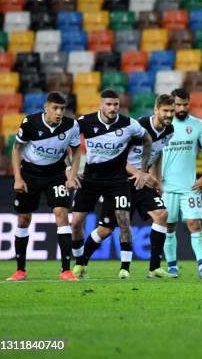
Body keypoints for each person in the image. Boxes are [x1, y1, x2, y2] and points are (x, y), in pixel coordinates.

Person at [79, 94, 178, 279]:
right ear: (156, 110)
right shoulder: (137, 127)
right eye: (166, 111)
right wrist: (139, 173)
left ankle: (154, 268)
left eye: (172, 111)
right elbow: (118, 158)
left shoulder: (169, 130)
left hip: (141, 182)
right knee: (105, 230)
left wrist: (158, 179)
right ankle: (81, 262)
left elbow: (157, 153)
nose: (169, 115)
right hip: (120, 180)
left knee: (162, 214)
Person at [71, 90, 152, 280]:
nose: (112, 108)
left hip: (117, 181)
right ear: (100, 105)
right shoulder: (85, 121)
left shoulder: (129, 124)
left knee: (124, 221)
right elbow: (67, 139)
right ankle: (80, 263)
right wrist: (69, 170)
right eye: (108, 104)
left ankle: (125, 268)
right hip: (90, 179)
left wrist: (142, 170)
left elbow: (147, 140)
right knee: (75, 223)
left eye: (115, 104)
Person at [7, 92, 81, 281]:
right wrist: (17, 178)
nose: (59, 113)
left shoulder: (71, 125)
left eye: (62, 109)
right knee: (23, 219)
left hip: (55, 174)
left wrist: (71, 176)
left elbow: (76, 151)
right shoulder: (30, 122)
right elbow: (16, 149)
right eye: (55, 108)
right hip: (29, 174)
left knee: (62, 215)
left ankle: (66, 270)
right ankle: (20, 270)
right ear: (46, 108)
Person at [161, 88, 202, 278]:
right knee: (169, 225)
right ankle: (172, 266)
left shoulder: (197, 125)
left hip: (190, 185)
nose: (181, 108)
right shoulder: (163, 125)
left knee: (194, 223)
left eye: (185, 104)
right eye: (177, 105)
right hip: (166, 187)